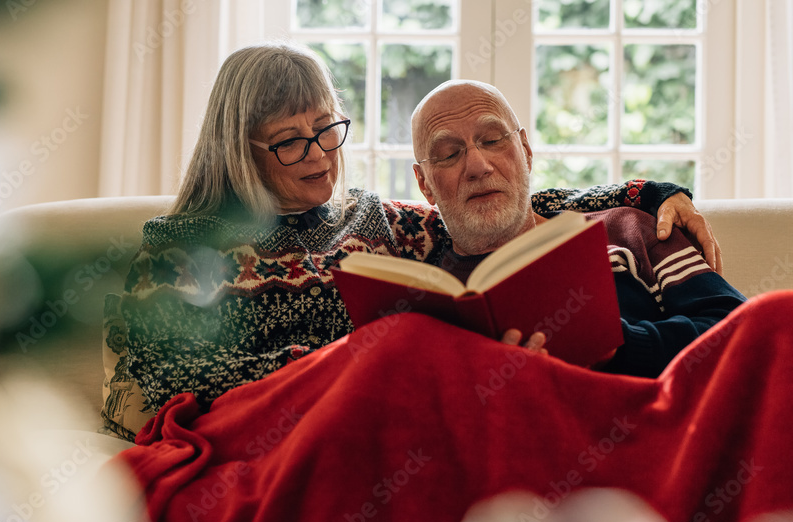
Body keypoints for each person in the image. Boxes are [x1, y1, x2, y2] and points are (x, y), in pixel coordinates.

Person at [101, 41, 721, 441]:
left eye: (326, 130)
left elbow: (497, 205)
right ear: (239, 152)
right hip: (280, 433)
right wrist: (348, 366)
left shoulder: (380, 222)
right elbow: (163, 385)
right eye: (290, 140)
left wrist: (650, 191)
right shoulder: (179, 252)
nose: (319, 157)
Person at [409, 80, 747, 376]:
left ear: (526, 152)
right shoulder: (435, 301)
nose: (478, 166)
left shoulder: (629, 229)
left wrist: (621, 348)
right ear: (425, 184)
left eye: (493, 139)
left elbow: (741, 331)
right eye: (448, 155)